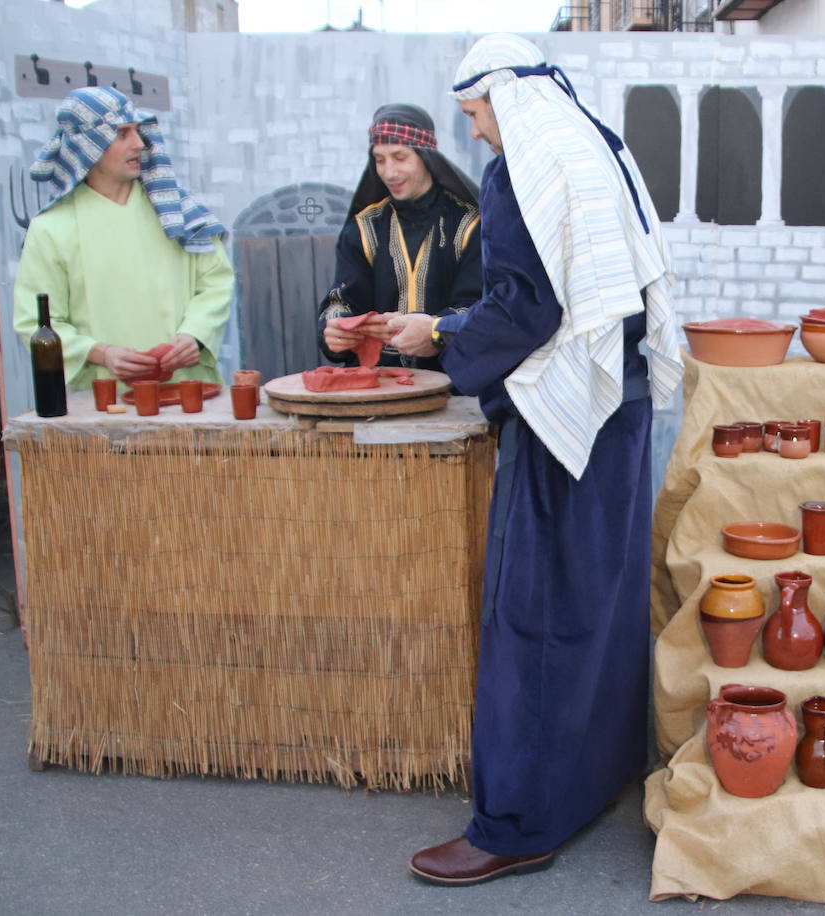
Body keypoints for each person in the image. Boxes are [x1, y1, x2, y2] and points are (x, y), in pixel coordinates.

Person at [387, 34, 683, 885]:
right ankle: (596, 781)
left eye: (475, 111)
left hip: (564, 422)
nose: (476, 131)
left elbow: (524, 310)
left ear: (505, 96)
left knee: (535, 620)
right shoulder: (595, 146)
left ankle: (516, 825)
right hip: (619, 409)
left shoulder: (522, 165)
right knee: (603, 601)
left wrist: (439, 334)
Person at [13, 86, 232, 389]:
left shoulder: (180, 212)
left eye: (138, 131)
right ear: (87, 145)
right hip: (102, 409)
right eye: (122, 134)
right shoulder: (51, 229)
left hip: (190, 397)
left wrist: (194, 335)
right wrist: (102, 354)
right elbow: (36, 324)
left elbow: (216, 282)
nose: (140, 144)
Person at [318, 103, 481, 372]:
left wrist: (435, 331)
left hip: (455, 388)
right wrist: (336, 330)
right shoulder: (365, 228)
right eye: (379, 160)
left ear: (426, 157)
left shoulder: (468, 225)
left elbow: (479, 308)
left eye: (400, 157)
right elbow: (341, 300)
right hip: (378, 385)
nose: (389, 172)